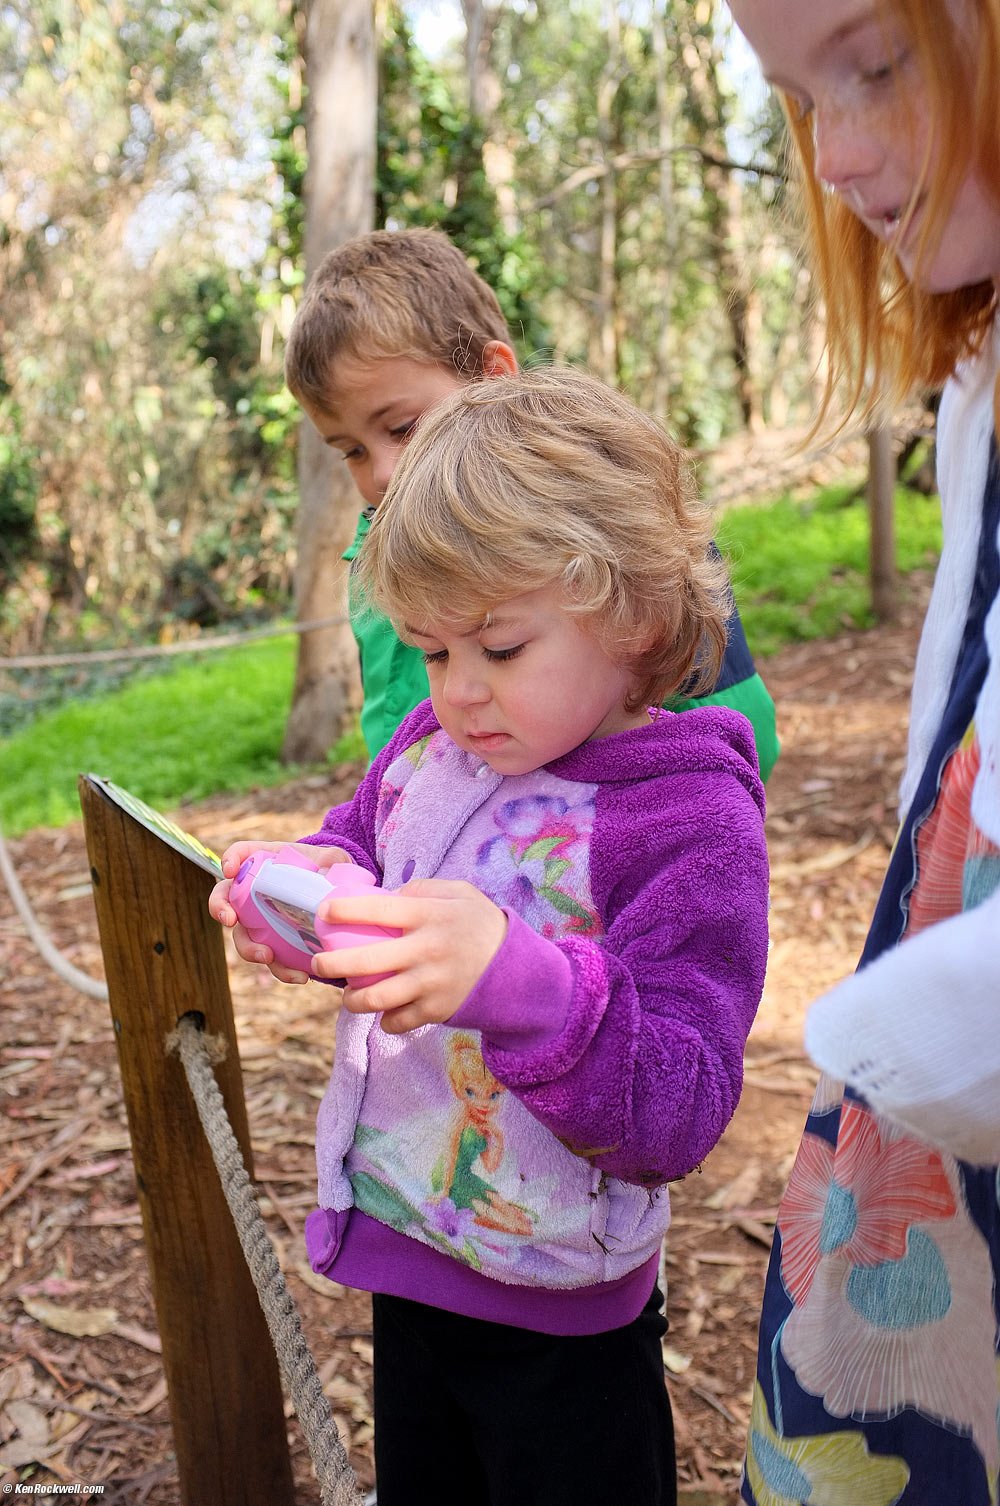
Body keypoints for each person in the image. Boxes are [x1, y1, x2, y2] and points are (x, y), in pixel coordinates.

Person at [211, 367, 770, 1505]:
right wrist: (318, 890)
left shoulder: (685, 818)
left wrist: (526, 989)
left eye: (499, 649)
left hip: (562, 1314)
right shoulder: (433, 747)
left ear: (640, 614)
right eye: (429, 649)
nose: (459, 691)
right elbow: (364, 840)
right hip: (412, 1248)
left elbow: (682, 1103)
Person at [725, 2, 1000, 1502]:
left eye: (876, 64)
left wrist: (867, 1042)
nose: (830, 154)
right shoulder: (977, 381)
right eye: (790, 100)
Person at [283, 225, 780, 779]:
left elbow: (738, 730)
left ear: (493, 375)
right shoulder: (374, 559)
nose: (381, 473)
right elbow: (392, 748)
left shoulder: (608, 518)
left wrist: (596, 812)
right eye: (350, 450)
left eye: (403, 428)